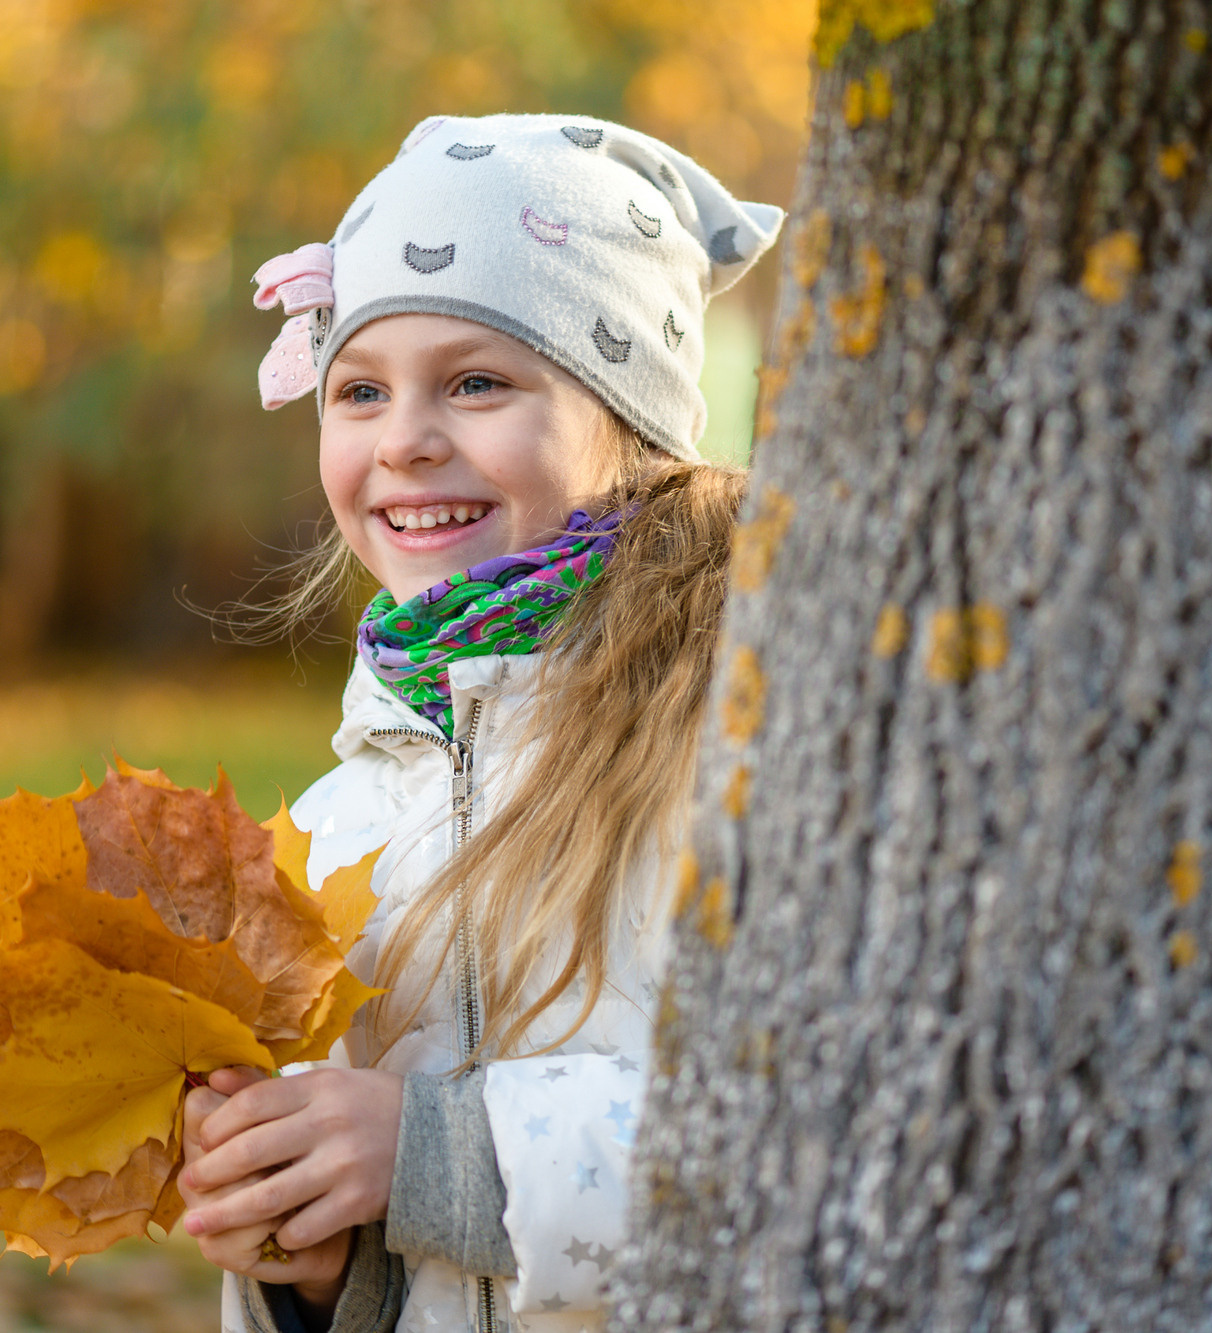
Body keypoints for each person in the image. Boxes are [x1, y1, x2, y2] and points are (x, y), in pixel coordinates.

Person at [176, 112, 783, 1333]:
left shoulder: (743, 745)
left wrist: (447, 1161)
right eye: (359, 389)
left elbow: (830, 1143)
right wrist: (313, 1261)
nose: (402, 437)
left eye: (476, 381)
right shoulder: (336, 827)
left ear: (633, 422)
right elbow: (391, 1266)